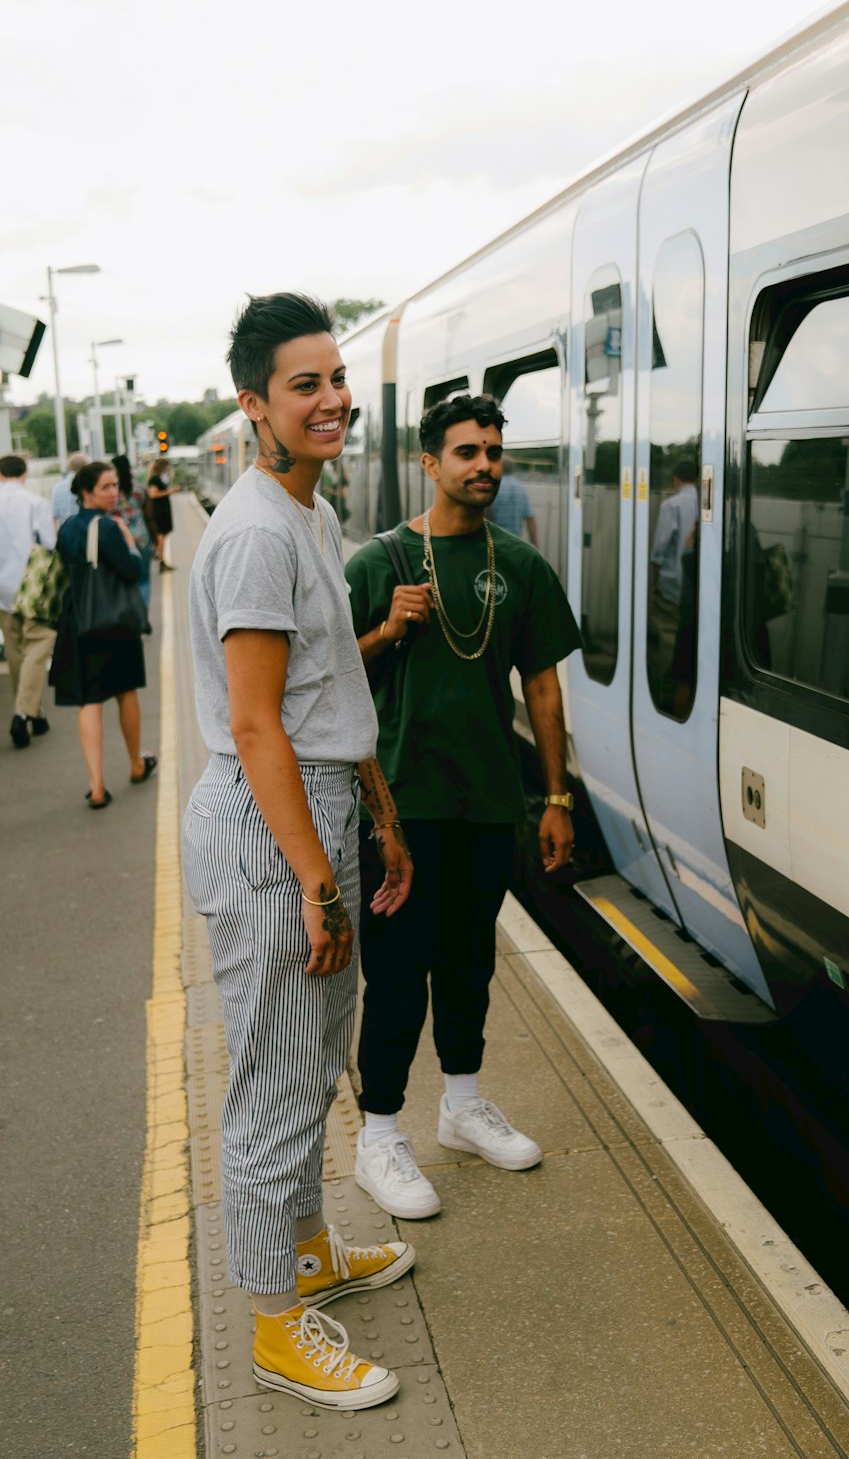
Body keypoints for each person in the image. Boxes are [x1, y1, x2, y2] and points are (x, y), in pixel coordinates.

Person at [181, 292, 415, 1412]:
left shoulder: (309, 512)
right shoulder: (258, 533)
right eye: (303, 385)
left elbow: (333, 694)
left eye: (336, 379)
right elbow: (259, 723)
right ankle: (276, 1321)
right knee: (272, 1085)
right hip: (275, 825)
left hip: (320, 806)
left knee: (315, 1062)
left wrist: (377, 812)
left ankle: (309, 1254)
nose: (330, 401)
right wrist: (319, 884)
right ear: (254, 405)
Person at [345, 393, 581, 1219]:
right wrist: (385, 632)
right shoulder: (379, 564)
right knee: (399, 971)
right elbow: (325, 686)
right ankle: (378, 1133)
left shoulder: (519, 566)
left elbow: (543, 685)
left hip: (486, 803)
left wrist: (555, 796)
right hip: (401, 812)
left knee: (470, 961)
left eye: (493, 451)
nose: (484, 464)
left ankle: (462, 1105)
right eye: (466, 452)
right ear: (429, 463)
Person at [48, 461, 157, 806]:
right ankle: (136, 764)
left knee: (89, 701)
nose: (115, 493)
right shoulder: (108, 528)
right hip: (113, 624)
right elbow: (132, 570)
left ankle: (96, 786)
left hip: (78, 623)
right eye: (106, 487)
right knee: (126, 692)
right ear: (86, 493)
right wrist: (128, 541)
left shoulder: (67, 528)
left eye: (115, 486)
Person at [0, 455, 58, 747]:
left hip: (2, 590)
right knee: (37, 647)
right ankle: (22, 714)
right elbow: (48, 544)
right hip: (31, 586)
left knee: (15, 652)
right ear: (24, 474)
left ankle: (35, 714)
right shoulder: (36, 503)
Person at [648, 459, 699, 705]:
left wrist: (653, 581)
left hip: (672, 585)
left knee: (669, 637)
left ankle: (665, 691)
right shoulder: (710, 503)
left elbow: (660, 548)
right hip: (698, 588)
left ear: (676, 479)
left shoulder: (672, 505)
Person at [111, 454, 154, 611]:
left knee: (123, 581)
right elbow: (150, 517)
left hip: (118, 540)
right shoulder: (140, 489)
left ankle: (128, 617)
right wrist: (155, 540)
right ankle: (141, 616)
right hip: (141, 538)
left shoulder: (111, 493)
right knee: (143, 580)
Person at [488, 453, 538, 545]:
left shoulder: (493, 487)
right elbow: (530, 518)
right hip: (515, 542)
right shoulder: (521, 489)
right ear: (512, 469)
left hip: (494, 541)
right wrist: (534, 543)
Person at [145, 457, 179, 570]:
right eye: (167, 467)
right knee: (161, 536)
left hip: (161, 510)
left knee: (162, 535)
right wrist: (169, 491)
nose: (168, 469)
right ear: (163, 467)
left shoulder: (156, 478)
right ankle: (161, 560)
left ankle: (161, 559)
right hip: (159, 511)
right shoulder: (154, 479)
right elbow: (153, 494)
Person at [51, 451, 87, 531]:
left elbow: (53, 517)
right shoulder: (88, 485)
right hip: (86, 531)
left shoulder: (57, 488)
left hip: (65, 532)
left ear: (70, 466)